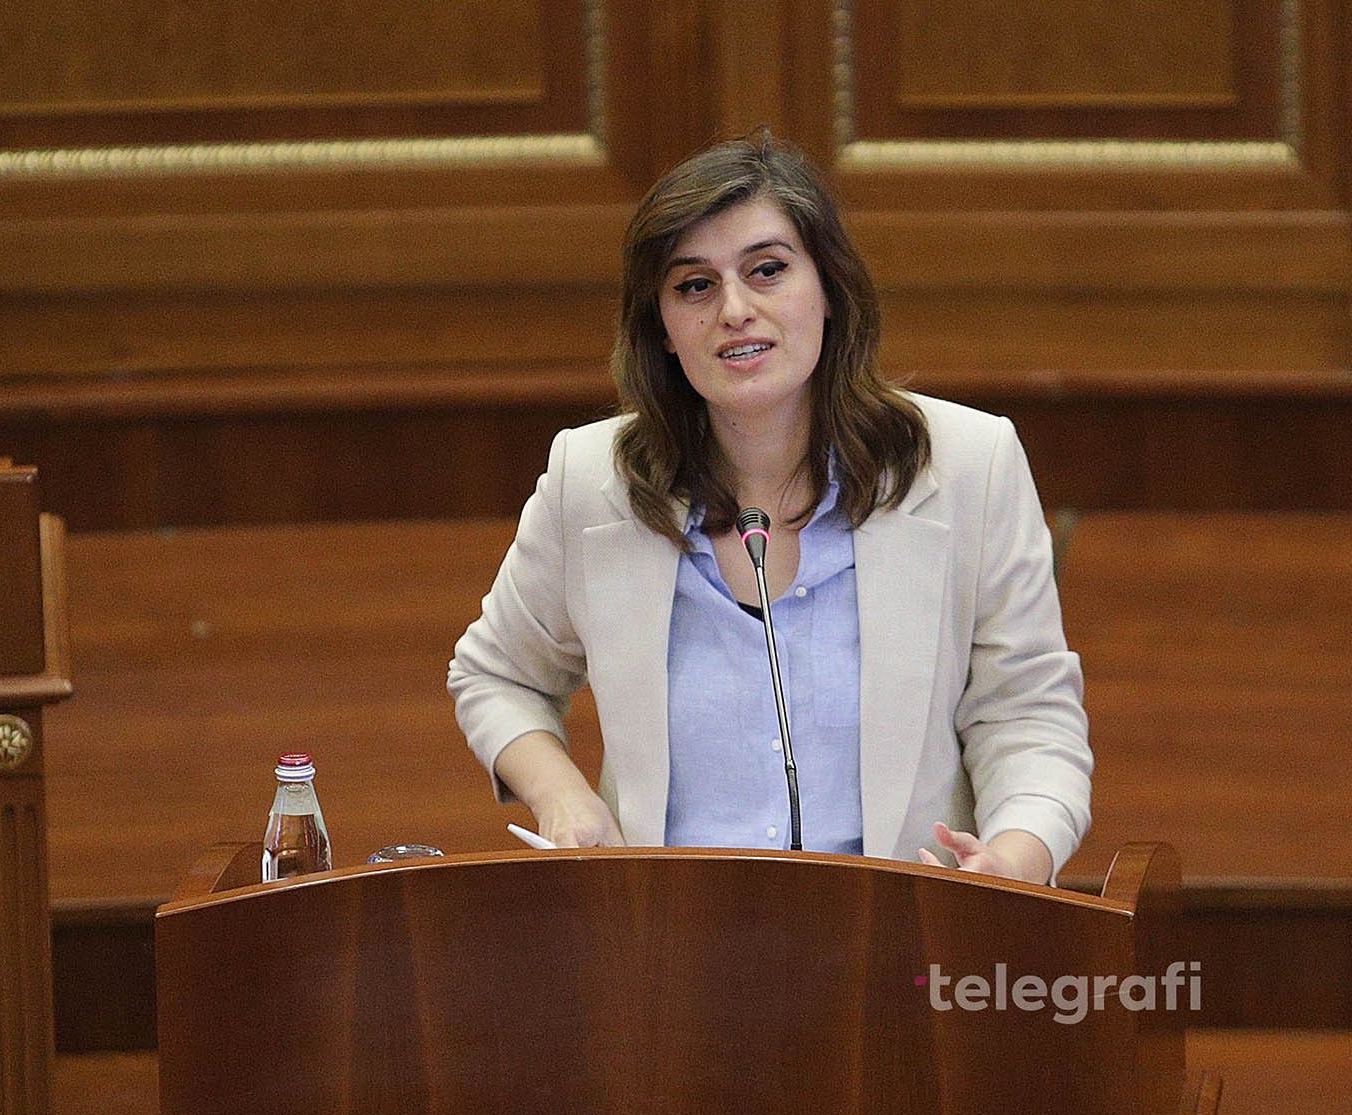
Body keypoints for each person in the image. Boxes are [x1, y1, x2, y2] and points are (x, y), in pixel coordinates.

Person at [448, 133, 1091, 883]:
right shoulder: (592, 480)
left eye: (768, 270)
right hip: (666, 926)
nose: (735, 310)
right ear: (662, 329)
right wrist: (565, 800)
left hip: (900, 924)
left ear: (830, 289)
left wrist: (1012, 859)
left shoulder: (968, 465)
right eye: (695, 286)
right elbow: (496, 675)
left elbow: (1029, 717)